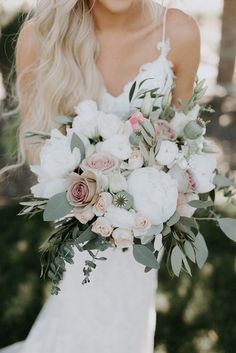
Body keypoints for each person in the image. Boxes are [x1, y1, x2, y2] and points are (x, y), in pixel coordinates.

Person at [1, 1, 200, 352]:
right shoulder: (39, 37)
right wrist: (97, 199)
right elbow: (38, 150)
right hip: (79, 218)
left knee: (130, 321)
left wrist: (154, 196)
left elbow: (180, 139)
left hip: (144, 225)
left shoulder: (180, 32)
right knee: (79, 317)